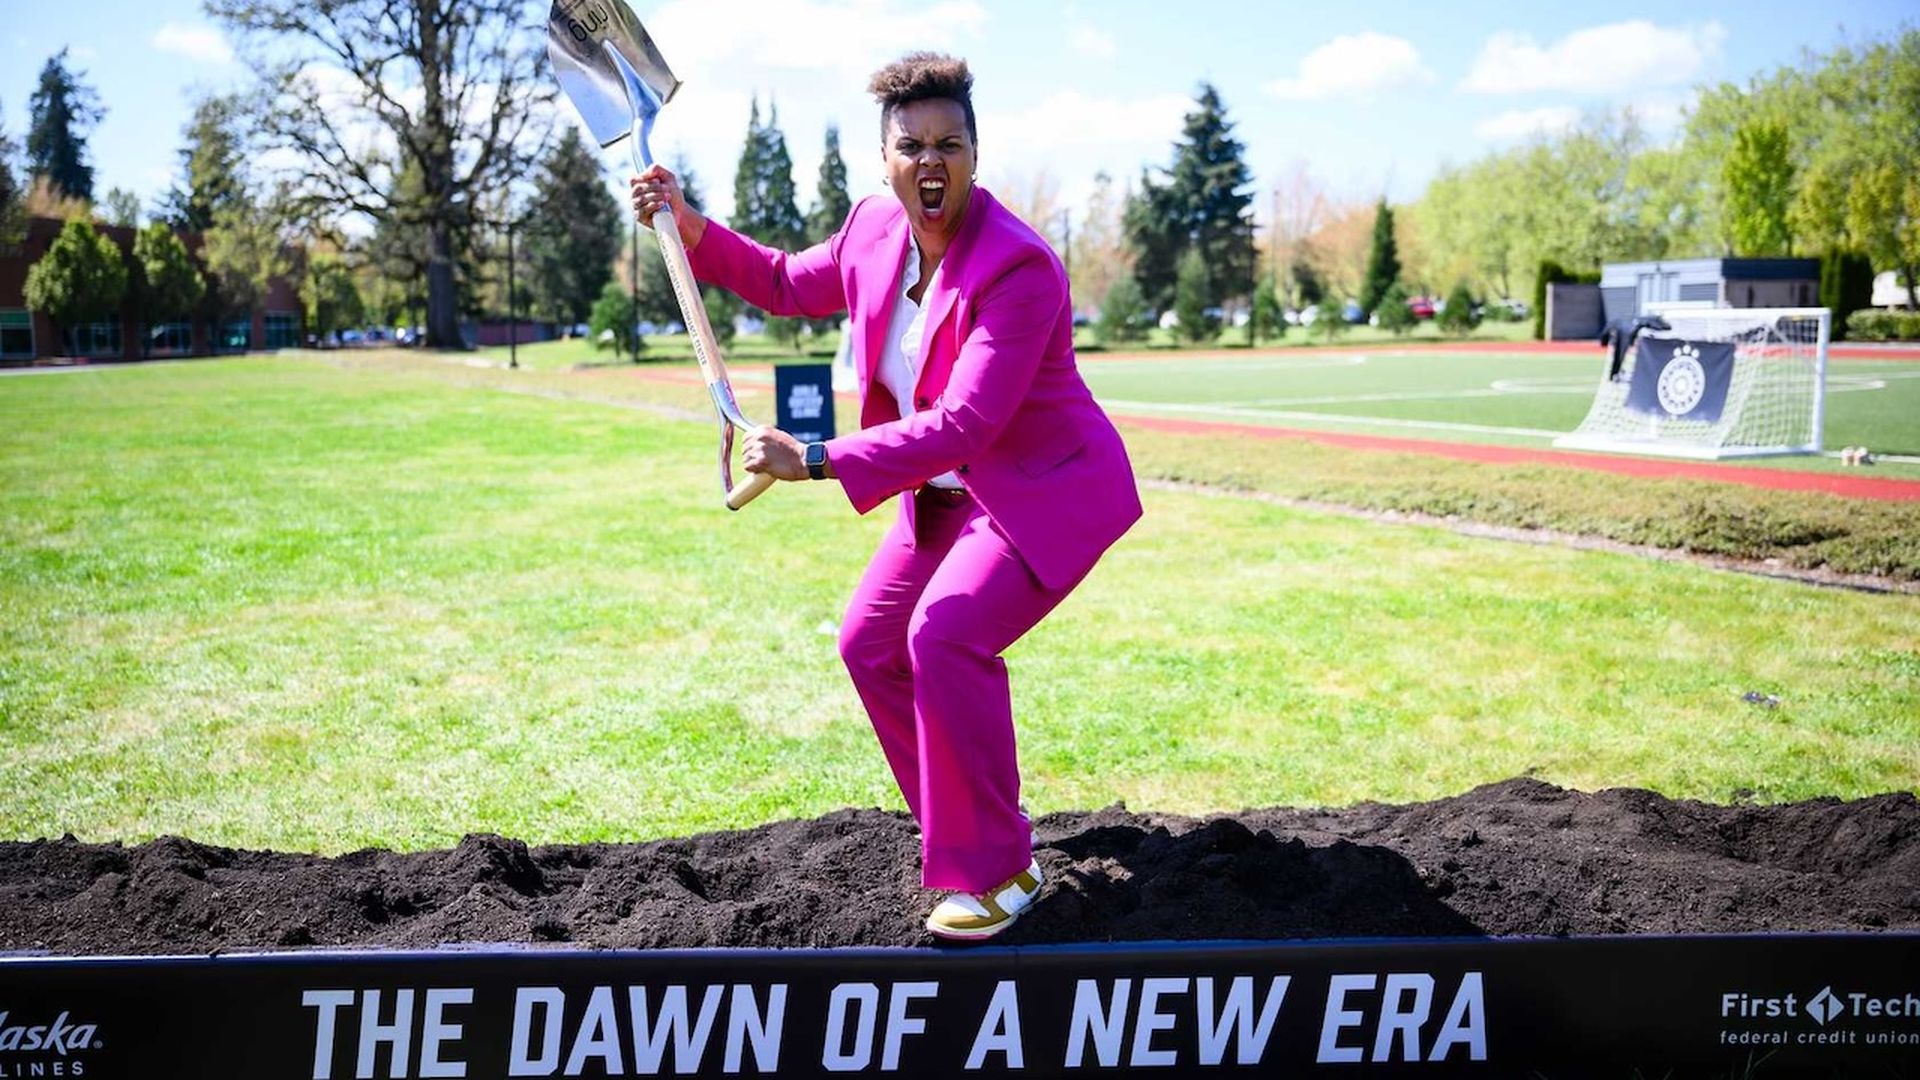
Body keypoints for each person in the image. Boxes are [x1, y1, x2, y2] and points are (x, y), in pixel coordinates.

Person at [630, 52, 1141, 940]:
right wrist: (688, 222)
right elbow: (788, 282)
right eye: (912, 146)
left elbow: (966, 424)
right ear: (885, 158)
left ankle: (1001, 873)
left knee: (943, 632)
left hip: (1034, 496)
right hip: (944, 503)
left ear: (977, 155)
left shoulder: (1018, 268)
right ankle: (967, 831)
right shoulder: (874, 229)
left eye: (950, 144)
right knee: (871, 643)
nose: (930, 162)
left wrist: (816, 456)